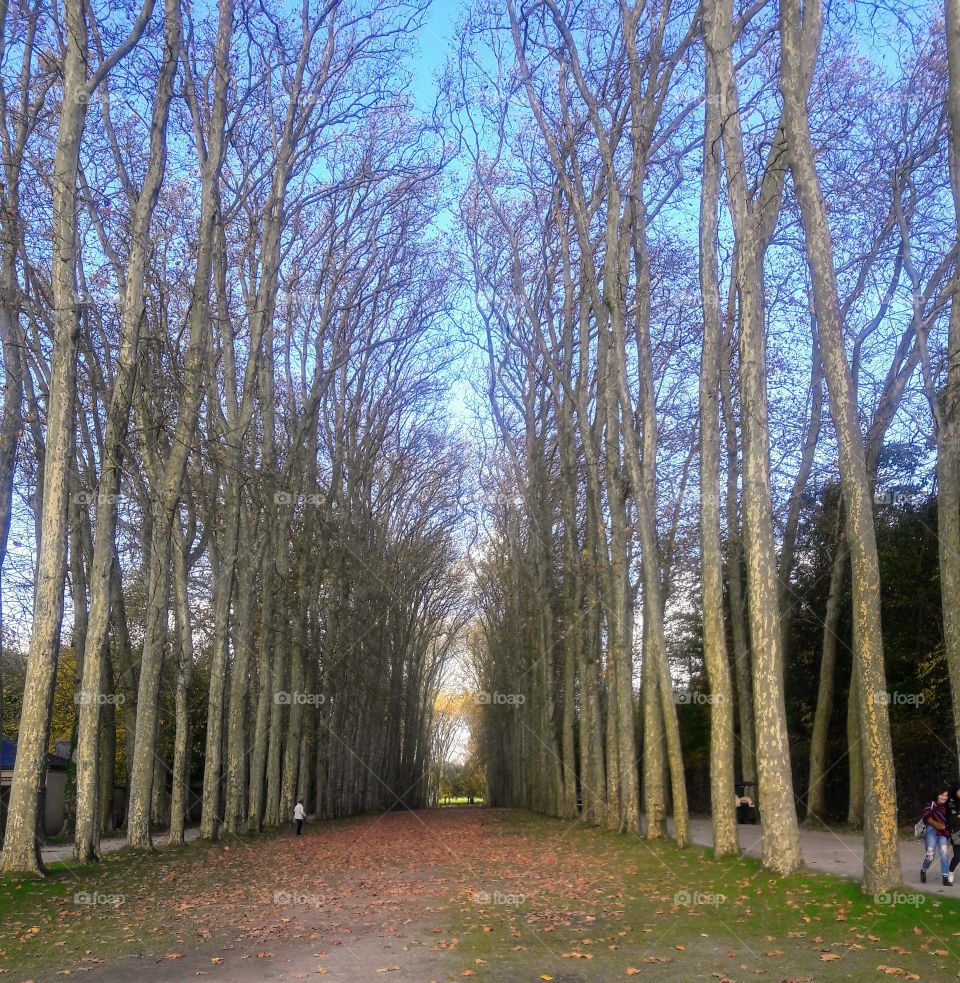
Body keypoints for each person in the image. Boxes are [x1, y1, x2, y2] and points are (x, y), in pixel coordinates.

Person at [921, 786, 951, 886]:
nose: (944, 797)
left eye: (946, 795)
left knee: (944, 854)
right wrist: (937, 825)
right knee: (930, 856)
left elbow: (951, 819)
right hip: (931, 832)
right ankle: (923, 870)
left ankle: (945, 878)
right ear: (937, 795)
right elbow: (926, 817)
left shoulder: (947, 807)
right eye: (942, 795)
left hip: (943, 833)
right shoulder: (930, 804)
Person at [948, 784, 960, 884]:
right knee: (957, 856)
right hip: (956, 832)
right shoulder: (951, 802)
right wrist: (957, 816)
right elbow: (952, 820)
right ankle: (950, 872)